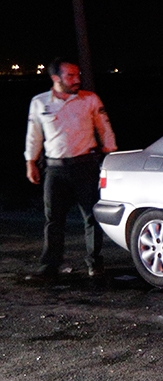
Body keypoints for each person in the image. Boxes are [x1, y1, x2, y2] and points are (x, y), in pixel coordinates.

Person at [24, 58, 118, 279]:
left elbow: (105, 128)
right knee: (53, 219)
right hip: (55, 169)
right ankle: (49, 266)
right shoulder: (39, 103)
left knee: (91, 216)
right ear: (56, 78)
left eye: (78, 75)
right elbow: (34, 135)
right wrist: (30, 162)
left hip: (85, 165)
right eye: (70, 76)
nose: (77, 80)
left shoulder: (89, 99)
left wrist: (110, 155)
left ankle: (94, 263)